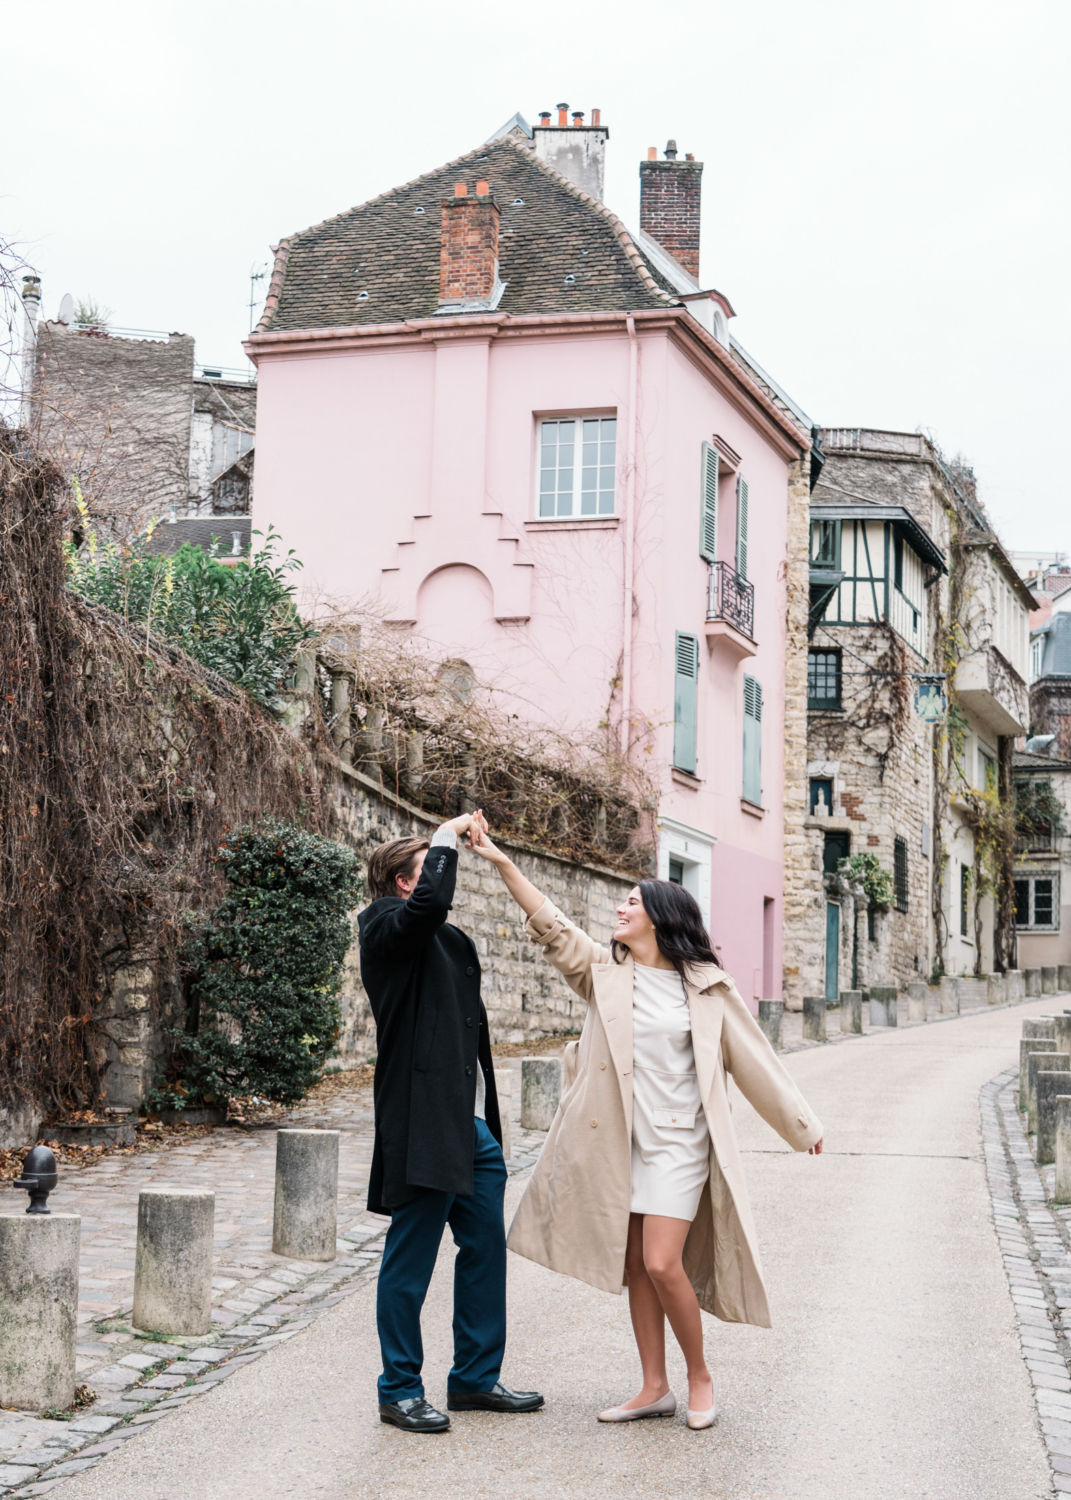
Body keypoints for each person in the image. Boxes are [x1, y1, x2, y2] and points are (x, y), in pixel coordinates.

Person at [469, 812, 823, 1430]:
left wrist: (802, 1125)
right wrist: (499, 861)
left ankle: (700, 1376)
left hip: (682, 1141)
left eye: (631, 902)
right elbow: (550, 924)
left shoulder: (708, 987)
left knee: (663, 1263)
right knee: (634, 1265)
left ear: (660, 916)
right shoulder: (605, 975)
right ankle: (653, 1386)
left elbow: (754, 1060)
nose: (619, 909)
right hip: (622, 1142)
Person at [359, 813, 544, 1433]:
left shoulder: (446, 939)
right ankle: (399, 1388)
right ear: (403, 883)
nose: (441, 882)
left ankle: (474, 1379)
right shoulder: (384, 927)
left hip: (466, 1128)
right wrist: (445, 835)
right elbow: (431, 902)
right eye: (429, 871)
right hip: (419, 1125)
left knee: (486, 1248)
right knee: (410, 1262)